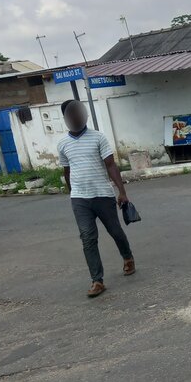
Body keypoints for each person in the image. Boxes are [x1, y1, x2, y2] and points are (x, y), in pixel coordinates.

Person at [58, 99, 135, 298]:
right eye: (71, 114)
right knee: (87, 238)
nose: (76, 116)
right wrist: (72, 193)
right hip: (80, 199)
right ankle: (97, 280)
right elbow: (67, 171)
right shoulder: (62, 144)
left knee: (115, 231)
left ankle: (127, 257)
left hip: (102, 194)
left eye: (78, 112)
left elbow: (110, 165)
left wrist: (122, 192)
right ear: (66, 118)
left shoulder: (98, 137)